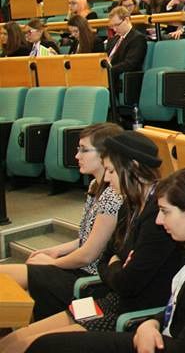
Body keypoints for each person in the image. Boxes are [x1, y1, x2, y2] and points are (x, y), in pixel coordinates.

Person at [0, 132, 185, 353]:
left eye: (111, 171)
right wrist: (116, 264)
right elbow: (105, 259)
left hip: (128, 314)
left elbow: (127, 282)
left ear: (134, 167)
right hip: (109, 300)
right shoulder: (131, 205)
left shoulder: (158, 216)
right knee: (10, 342)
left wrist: (115, 264)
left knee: (32, 345)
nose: (106, 179)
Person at [26, 167, 185, 353]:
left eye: (165, 212)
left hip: (157, 339)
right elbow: (177, 306)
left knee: (46, 346)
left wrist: (148, 328)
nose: (159, 220)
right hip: (145, 327)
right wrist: (152, 323)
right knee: (43, 344)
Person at [0, 123, 122, 321]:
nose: (77, 156)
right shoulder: (95, 185)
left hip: (88, 279)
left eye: (84, 150)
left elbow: (88, 254)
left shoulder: (113, 195)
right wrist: (55, 250)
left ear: (104, 155)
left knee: (7, 275)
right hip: (78, 268)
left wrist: (54, 263)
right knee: (27, 269)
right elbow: (86, 237)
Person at [104, 6, 148, 89]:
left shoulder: (137, 38)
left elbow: (130, 64)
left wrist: (108, 70)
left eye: (117, 25)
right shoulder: (113, 39)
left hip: (122, 80)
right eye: (112, 26)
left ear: (127, 20)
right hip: (108, 77)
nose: (114, 29)